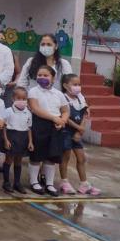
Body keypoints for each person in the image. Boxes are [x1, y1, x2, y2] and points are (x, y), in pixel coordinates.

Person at [27, 65, 69, 196]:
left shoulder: (59, 94)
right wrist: (54, 118)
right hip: (39, 124)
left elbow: (65, 110)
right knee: (37, 155)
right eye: (40, 75)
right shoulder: (33, 91)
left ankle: (49, 183)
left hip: (56, 127)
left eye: (45, 75)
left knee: (52, 156)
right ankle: (34, 181)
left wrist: (62, 120)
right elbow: (35, 109)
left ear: (53, 77)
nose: (42, 77)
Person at [59, 74, 100, 196]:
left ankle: (84, 184)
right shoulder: (63, 98)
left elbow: (84, 114)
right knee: (65, 158)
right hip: (66, 131)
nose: (78, 87)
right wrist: (77, 128)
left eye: (79, 84)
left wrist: (79, 131)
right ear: (66, 86)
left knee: (81, 158)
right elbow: (65, 117)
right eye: (74, 84)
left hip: (77, 132)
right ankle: (64, 182)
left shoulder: (80, 98)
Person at [2, 87, 34, 193]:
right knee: (9, 159)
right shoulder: (8, 111)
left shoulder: (28, 112)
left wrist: (30, 141)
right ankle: (6, 182)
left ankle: (17, 183)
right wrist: (6, 140)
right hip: (12, 136)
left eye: (24, 98)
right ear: (13, 99)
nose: (21, 100)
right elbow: (4, 127)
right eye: (18, 98)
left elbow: (29, 128)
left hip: (23, 137)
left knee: (19, 160)